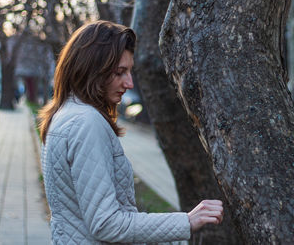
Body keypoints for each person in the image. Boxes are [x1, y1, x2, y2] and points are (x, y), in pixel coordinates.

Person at [38, 20, 223, 244]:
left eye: (129, 71)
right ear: (91, 70)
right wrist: (186, 221)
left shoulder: (64, 115)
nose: (129, 83)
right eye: (120, 72)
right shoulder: (86, 122)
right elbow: (106, 224)